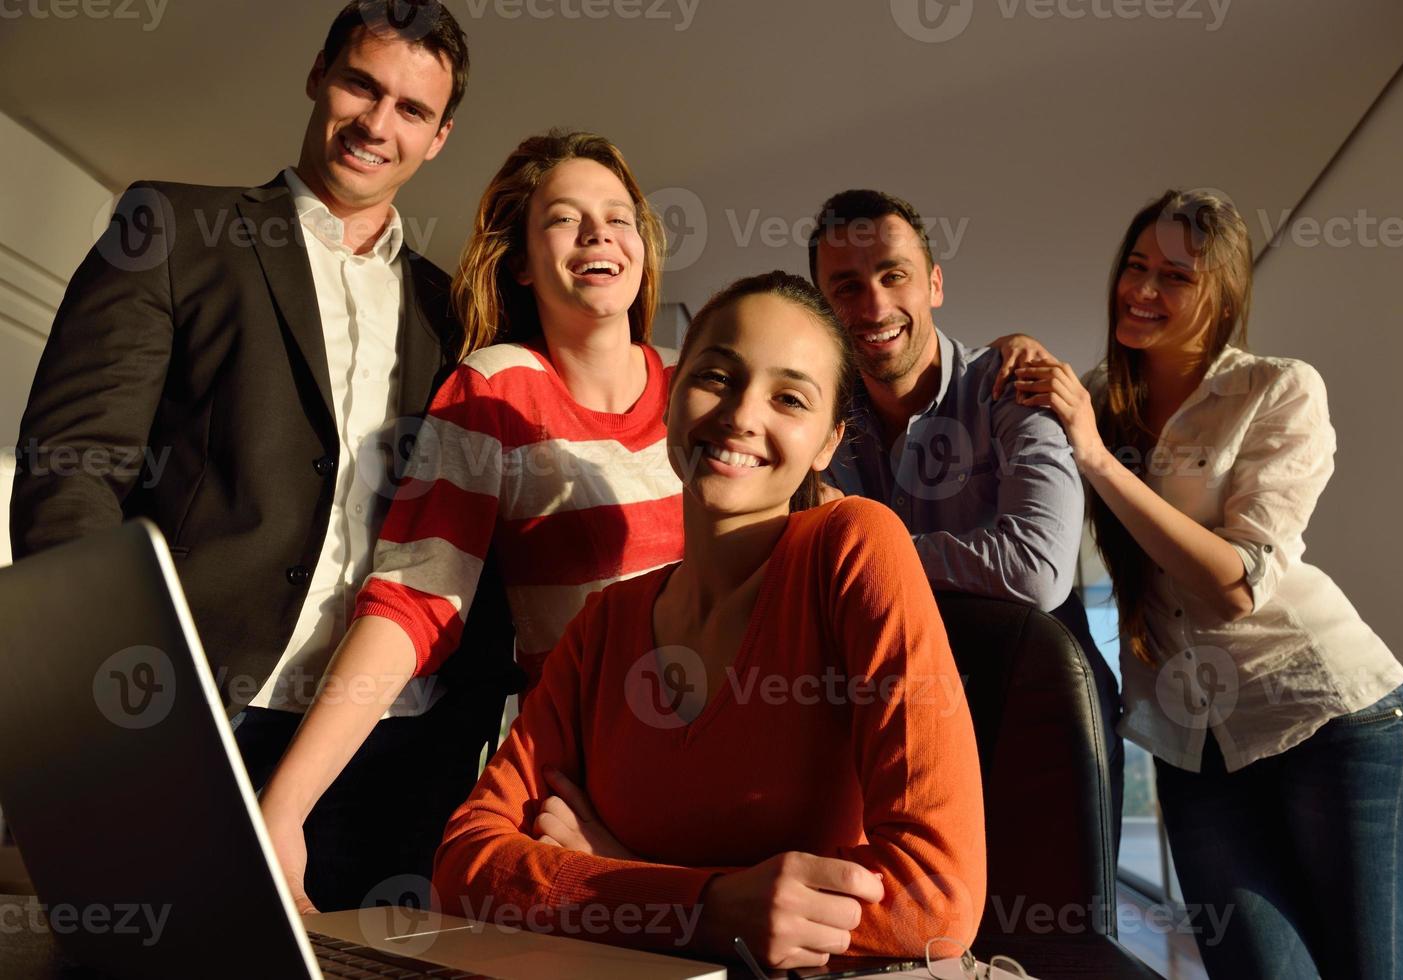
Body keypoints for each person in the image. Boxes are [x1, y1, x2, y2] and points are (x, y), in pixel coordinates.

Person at [10, 0, 477, 912]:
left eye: (412, 110)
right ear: (317, 75)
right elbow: (73, 471)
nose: (378, 125)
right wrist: (104, 695)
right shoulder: (172, 229)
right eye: (361, 85)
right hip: (189, 715)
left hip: (386, 750)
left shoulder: (455, 310)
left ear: (440, 136)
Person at [431, 272, 986, 971]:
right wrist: (707, 908)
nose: (742, 415)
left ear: (826, 443)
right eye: (718, 377)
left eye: (789, 397)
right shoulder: (605, 624)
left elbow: (934, 900)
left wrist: (620, 872)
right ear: (669, 399)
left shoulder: (853, 545)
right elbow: (464, 865)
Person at [1012, 188, 1403, 978]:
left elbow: (1236, 585)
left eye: (1175, 276)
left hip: (1332, 720)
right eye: (1135, 267)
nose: (1141, 291)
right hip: (1190, 744)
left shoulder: (1278, 389)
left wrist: (1098, 457)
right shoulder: (1103, 402)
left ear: (1224, 295)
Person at [260, 130, 686, 913]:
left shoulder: (702, 387)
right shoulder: (493, 389)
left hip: (734, 766)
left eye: (618, 216)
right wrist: (283, 811)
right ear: (522, 261)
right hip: (595, 794)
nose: (598, 233)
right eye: (564, 218)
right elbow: (416, 600)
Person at [806, 189, 1122, 849]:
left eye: (894, 275)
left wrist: (871, 553)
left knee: (1052, 942)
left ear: (935, 284)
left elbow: (1036, 571)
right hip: (893, 729)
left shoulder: (1015, 386)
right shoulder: (822, 425)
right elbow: (809, 577)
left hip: (1035, 720)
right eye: (846, 287)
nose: (874, 305)